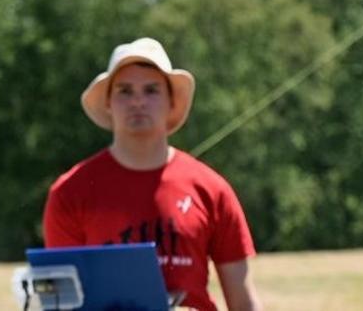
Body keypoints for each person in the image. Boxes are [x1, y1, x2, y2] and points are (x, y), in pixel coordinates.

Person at [42, 37, 263, 311]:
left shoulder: (211, 189)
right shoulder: (70, 192)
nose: (138, 101)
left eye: (151, 90)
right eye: (124, 91)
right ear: (108, 102)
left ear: (172, 101)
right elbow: (60, 303)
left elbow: (243, 302)